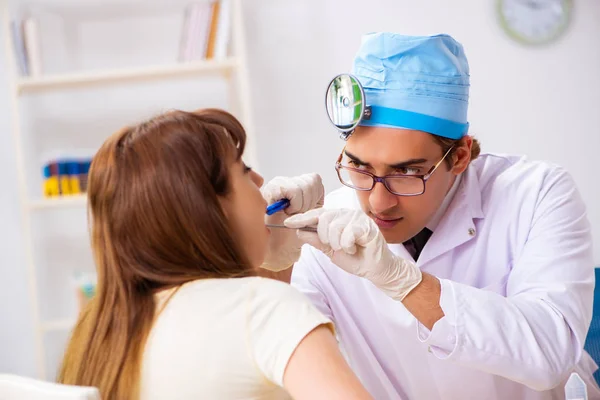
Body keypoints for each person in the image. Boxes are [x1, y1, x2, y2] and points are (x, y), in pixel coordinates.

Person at [262, 33, 600, 399]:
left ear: (459, 156)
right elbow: (281, 358)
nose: (378, 202)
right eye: (359, 166)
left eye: (406, 173)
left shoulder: (537, 193)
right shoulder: (328, 229)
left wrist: (402, 282)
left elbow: (550, 352)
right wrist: (272, 256)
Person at [57, 109, 373, 400]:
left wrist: (270, 263)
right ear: (211, 208)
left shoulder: (97, 328)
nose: (260, 181)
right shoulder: (265, 308)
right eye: (243, 170)